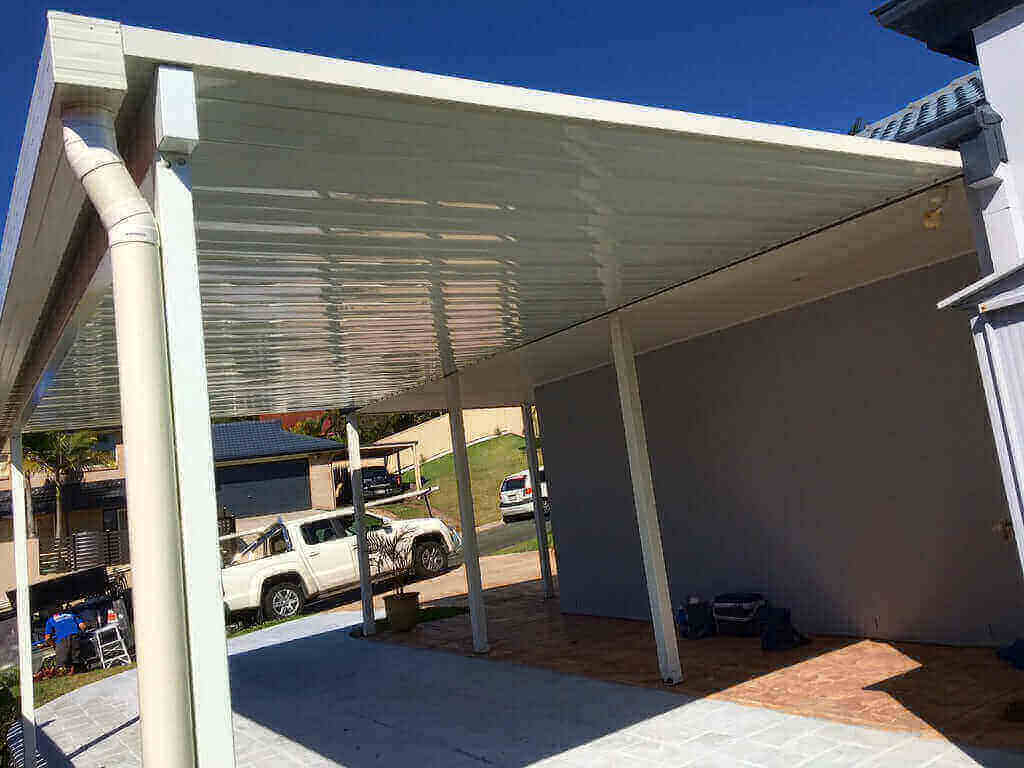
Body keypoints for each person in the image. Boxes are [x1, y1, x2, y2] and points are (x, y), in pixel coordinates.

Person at [44, 608, 87, 675]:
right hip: (75, 636)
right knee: (77, 658)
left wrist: (54, 645)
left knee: (63, 663)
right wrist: (82, 634)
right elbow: (83, 626)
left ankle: (68, 670)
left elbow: (47, 638)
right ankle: (78, 669)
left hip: (62, 641)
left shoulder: (50, 620)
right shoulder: (71, 615)